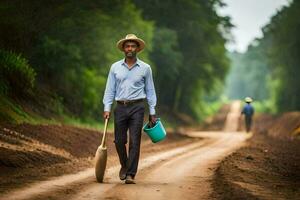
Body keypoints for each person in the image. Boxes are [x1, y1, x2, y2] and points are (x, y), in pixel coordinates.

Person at [103, 34, 157, 184]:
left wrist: (152, 112)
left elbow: (150, 91)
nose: (130, 48)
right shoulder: (115, 67)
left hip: (138, 107)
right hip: (120, 107)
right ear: (123, 49)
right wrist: (107, 107)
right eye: (127, 46)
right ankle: (125, 165)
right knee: (119, 141)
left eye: (133, 46)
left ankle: (130, 174)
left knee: (135, 141)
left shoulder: (146, 68)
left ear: (137, 49)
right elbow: (110, 89)